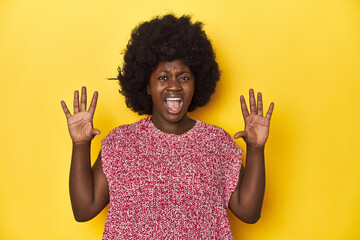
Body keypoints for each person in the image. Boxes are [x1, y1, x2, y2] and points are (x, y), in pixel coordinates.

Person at [61, 14, 274, 239]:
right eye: (163, 77)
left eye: (184, 78)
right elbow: (84, 209)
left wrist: (256, 150)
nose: (174, 86)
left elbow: (249, 212)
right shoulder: (120, 142)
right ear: (146, 86)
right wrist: (81, 145)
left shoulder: (217, 142)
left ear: (197, 83)